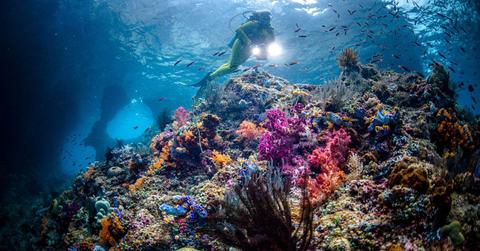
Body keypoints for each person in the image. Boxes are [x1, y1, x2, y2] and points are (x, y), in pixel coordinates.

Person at [192, 10, 275, 87]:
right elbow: (239, 30)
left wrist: (265, 48)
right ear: (260, 17)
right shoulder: (253, 23)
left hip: (250, 49)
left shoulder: (269, 30)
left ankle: (212, 75)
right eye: (264, 18)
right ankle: (210, 77)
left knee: (231, 65)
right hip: (241, 45)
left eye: (268, 19)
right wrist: (248, 42)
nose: (266, 20)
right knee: (232, 67)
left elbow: (271, 41)